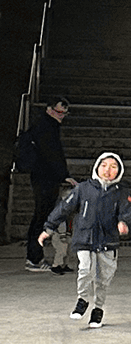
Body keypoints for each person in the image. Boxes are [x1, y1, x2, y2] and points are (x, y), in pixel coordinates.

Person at [43, 151, 131, 328]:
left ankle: (98, 309)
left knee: (103, 278)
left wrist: (124, 222)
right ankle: (82, 299)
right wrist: (49, 227)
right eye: (104, 166)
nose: (108, 170)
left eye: (113, 167)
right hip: (85, 238)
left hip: (108, 241)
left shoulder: (122, 192)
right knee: (85, 269)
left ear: (119, 171)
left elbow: (129, 209)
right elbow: (64, 207)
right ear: (97, 167)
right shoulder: (83, 188)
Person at [18, 97, 70, 272]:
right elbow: (52, 154)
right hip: (44, 178)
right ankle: (34, 259)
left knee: (42, 217)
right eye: (58, 111)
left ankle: (35, 258)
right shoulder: (46, 128)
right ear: (49, 110)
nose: (61, 116)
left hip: (44, 177)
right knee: (41, 217)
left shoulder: (45, 126)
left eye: (64, 113)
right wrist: (65, 175)